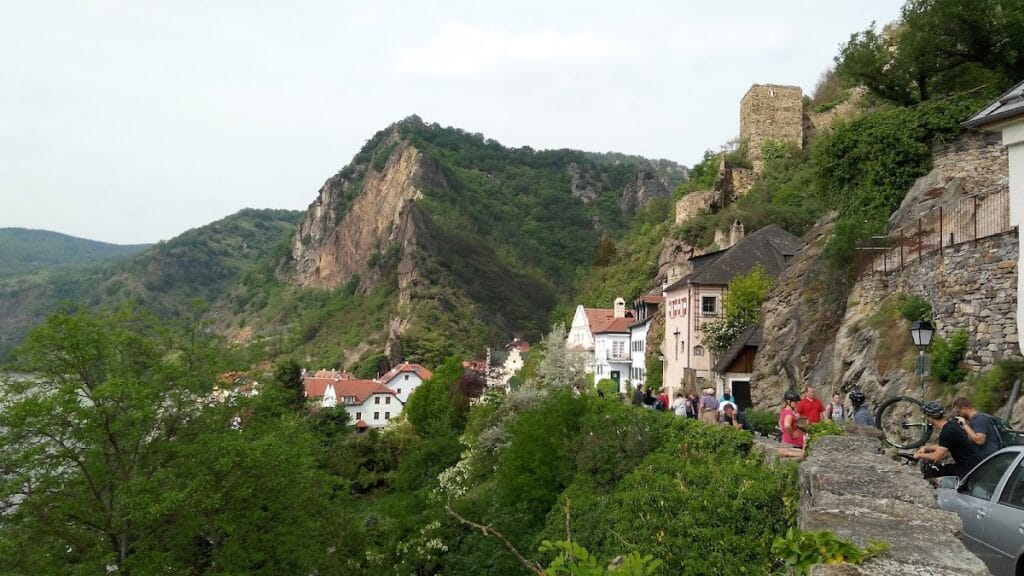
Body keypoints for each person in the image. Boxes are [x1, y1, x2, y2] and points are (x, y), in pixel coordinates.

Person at [913, 401, 983, 479]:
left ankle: (932, 489)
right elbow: (944, 445)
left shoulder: (947, 431)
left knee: (932, 470)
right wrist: (926, 448)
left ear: (930, 417)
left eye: (925, 416)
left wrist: (919, 455)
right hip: (974, 465)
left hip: (970, 469)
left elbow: (936, 456)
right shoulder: (951, 426)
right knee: (938, 469)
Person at [778, 389, 805, 458]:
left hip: (786, 441)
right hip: (793, 443)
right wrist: (792, 433)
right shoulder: (789, 414)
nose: (796, 404)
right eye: (795, 402)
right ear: (789, 401)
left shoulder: (784, 411)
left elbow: (780, 423)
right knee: (804, 454)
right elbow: (787, 425)